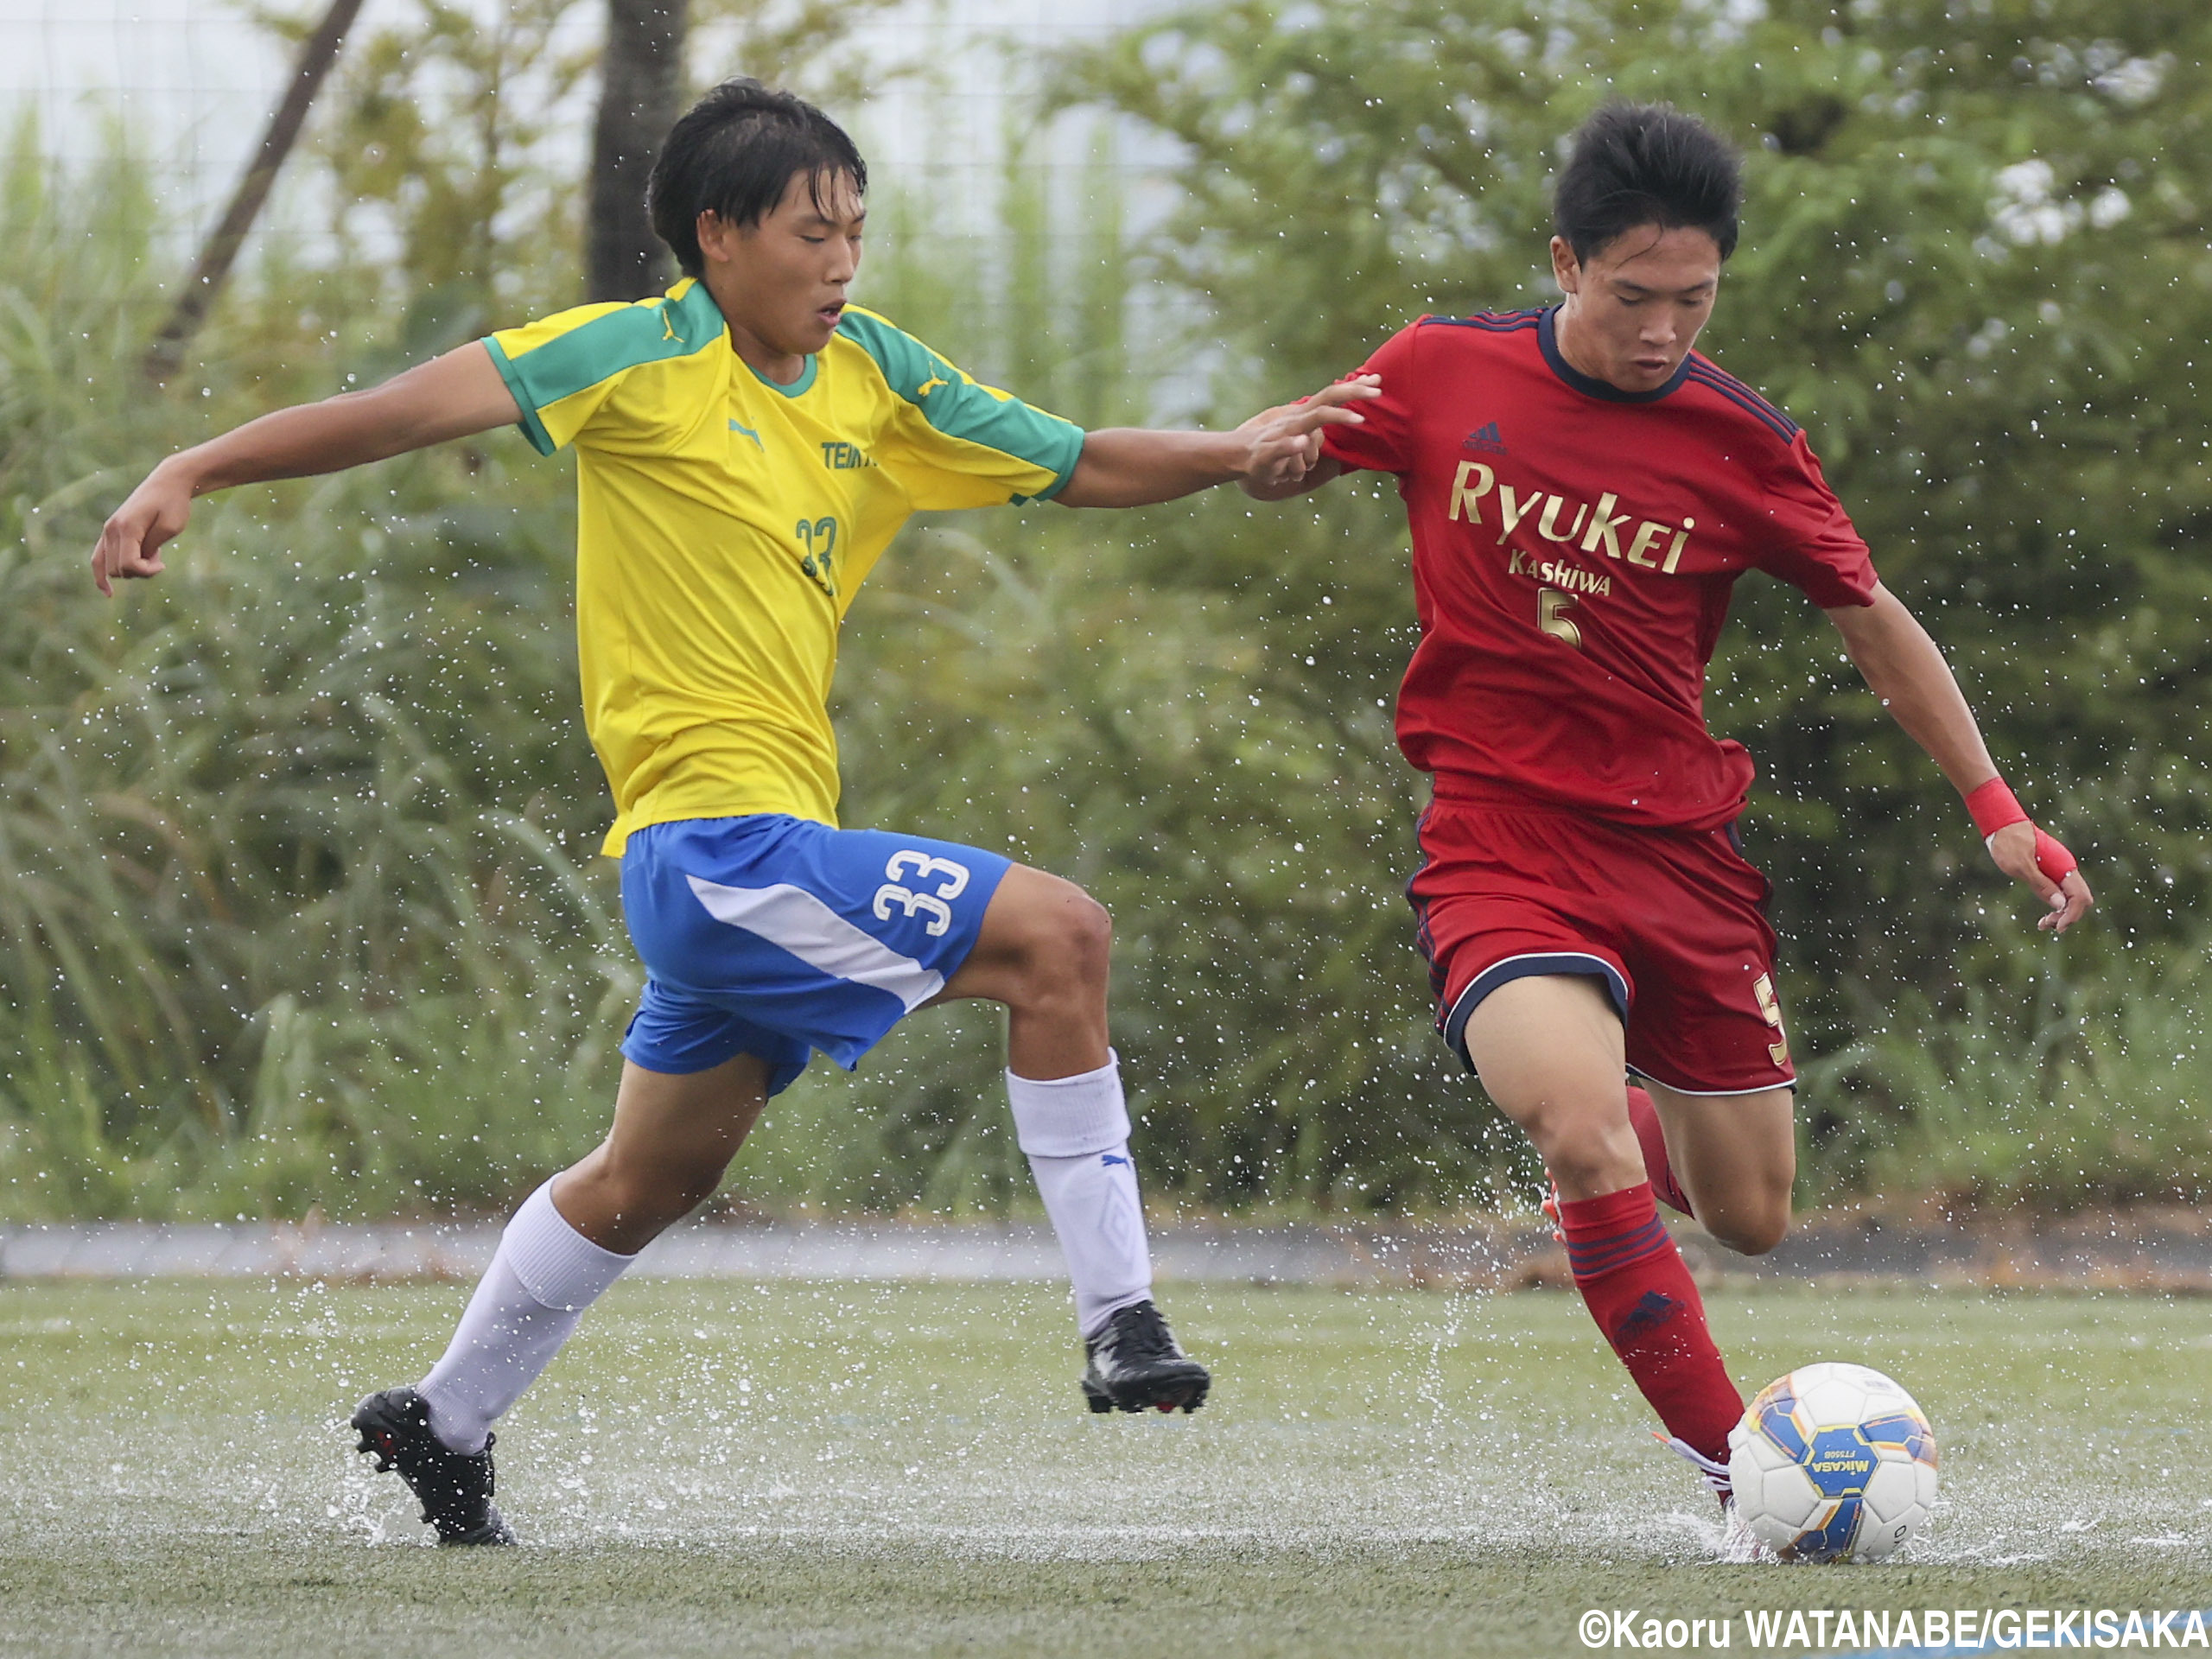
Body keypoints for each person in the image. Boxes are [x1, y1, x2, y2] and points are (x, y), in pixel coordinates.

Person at [91, 79, 1369, 1546]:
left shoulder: (875, 373)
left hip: (744, 868)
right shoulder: (632, 360)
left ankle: (442, 1421)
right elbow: (396, 411)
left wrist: (1233, 452)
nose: (843, 263)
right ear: (717, 235)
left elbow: (1072, 459)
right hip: (716, 852)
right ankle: (1123, 1319)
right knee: (1057, 940)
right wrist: (194, 464)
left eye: (858, 234)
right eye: (813, 233)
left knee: (650, 1177)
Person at [1243, 103, 2091, 1507]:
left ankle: (1628, 1115)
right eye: (1633, 297)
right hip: (1498, 839)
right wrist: (1262, 459)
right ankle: (1741, 1475)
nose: (1661, 329)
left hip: (1679, 857)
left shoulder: (1741, 441)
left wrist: (1995, 805)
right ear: (1566, 262)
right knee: (1572, 1132)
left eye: (1693, 300)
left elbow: (1871, 618)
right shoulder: (1441, 371)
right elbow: (1284, 449)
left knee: (1752, 1219)